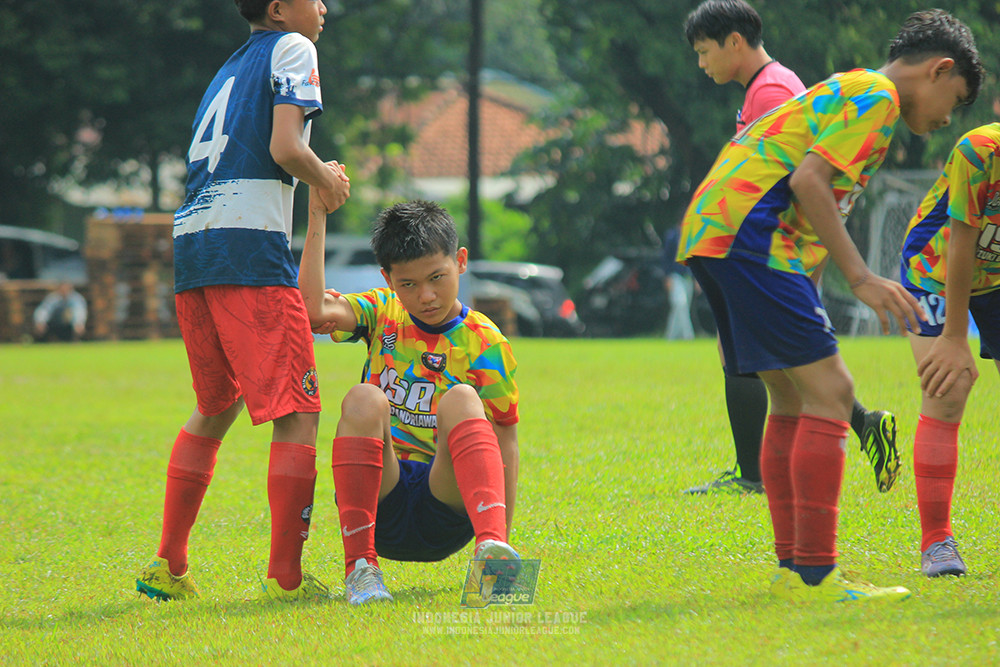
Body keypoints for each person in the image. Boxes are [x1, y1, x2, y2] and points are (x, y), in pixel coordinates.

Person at [677, 9, 982, 601]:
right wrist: (862, 277)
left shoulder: (852, 87)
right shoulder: (880, 98)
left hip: (718, 231)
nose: (949, 117)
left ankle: (794, 570)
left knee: (789, 394)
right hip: (748, 236)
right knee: (833, 393)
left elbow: (800, 185)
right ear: (938, 69)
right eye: (956, 97)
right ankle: (817, 574)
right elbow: (809, 182)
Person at [136, 0, 351, 603]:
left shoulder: (228, 68)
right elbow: (286, 146)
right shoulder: (295, 48)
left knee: (216, 403)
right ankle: (286, 577)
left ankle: (168, 563)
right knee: (300, 411)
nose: (325, 7)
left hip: (194, 249)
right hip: (248, 250)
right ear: (281, 9)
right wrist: (326, 181)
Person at [682, 0, 899, 496]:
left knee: (776, 363)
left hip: (769, 248)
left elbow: (801, 182)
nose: (702, 64)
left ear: (735, 41)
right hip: (761, 245)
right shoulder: (764, 88)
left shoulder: (775, 89)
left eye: (704, 51)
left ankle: (761, 475)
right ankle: (775, 470)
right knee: (771, 363)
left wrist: (805, 268)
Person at [298, 192, 521, 605]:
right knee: (363, 397)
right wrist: (317, 211)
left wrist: (500, 533)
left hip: (448, 509)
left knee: (462, 399)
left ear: (461, 261)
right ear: (388, 279)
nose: (427, 296)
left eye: (437, 277)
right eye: (408, 284)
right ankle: (361, 572)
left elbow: (506, 441)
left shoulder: (486, 343)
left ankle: (492, 559)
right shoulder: (382, 312)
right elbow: (312, 312)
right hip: (378, 506)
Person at [899, 122, 1000, 578]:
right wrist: (955, 337)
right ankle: (936, 541)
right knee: (949, 386)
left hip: (997, 276)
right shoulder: (980, 151)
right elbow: (961, 240)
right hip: (934, 268)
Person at [662, 225, 695, 340]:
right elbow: (666, 258)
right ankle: (688, 335)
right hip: (675, 276)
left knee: (680, 308)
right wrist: (667, 277)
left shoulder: (692, 237)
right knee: (681, 304)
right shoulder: (672, 236)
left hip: (688, 276)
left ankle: (671, 336)